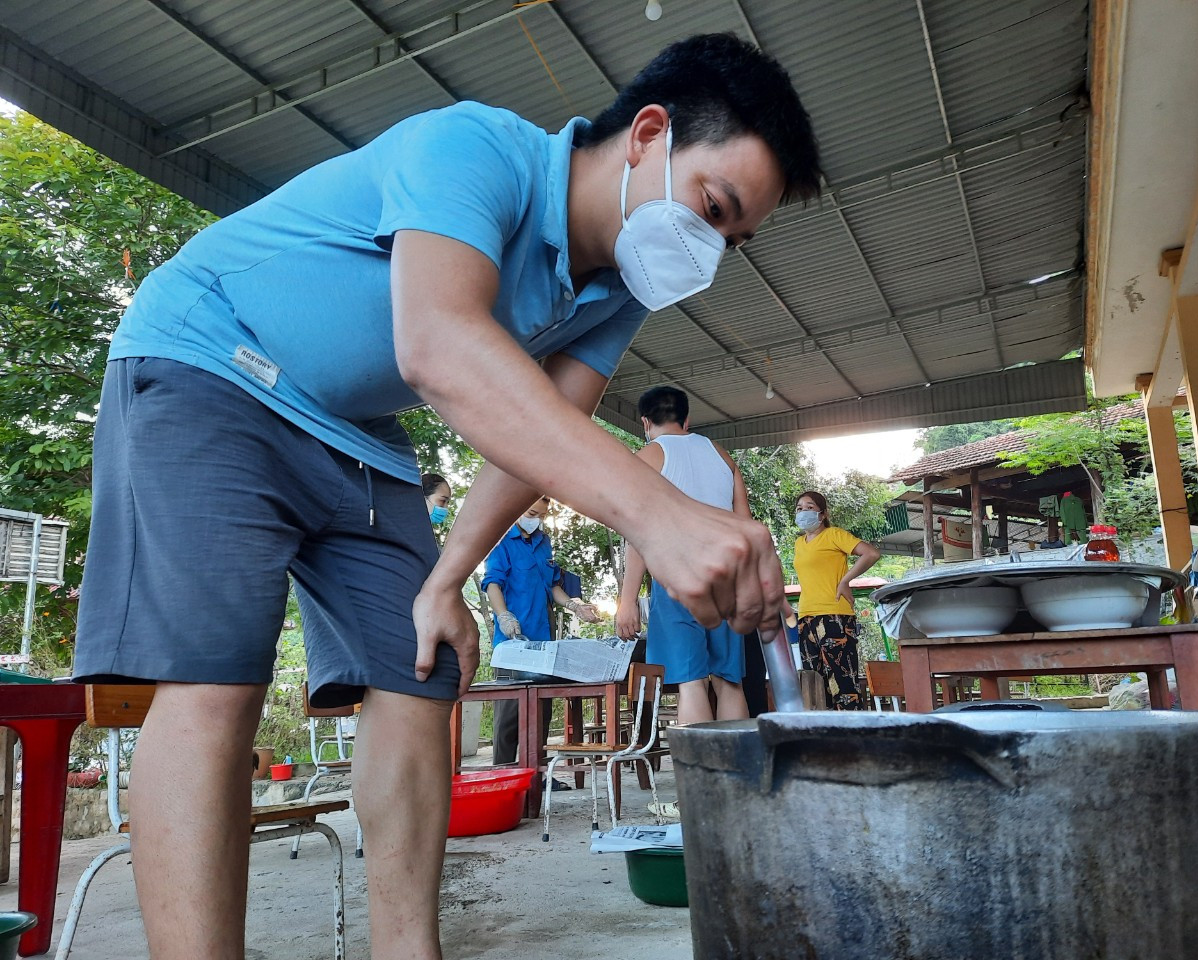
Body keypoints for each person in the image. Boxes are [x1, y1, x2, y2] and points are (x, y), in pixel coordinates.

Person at [73, 32, 819, 960]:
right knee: (217, 678)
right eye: (714, 207)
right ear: (649, 133)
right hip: (211, 361)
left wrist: (449, 578)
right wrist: (658, 511)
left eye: (732, 242)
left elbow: (538, 440)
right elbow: (439, 344)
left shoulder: (620, 285)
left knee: (423, 661)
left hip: (354, 432)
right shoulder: (475, 147)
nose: (710, 250)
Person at [615, 385, 751, 726]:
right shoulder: (722, 456)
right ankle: (737, 773)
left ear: (645, 423)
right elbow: (745, 525)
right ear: (687, 419)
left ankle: (701, 777)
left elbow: (638, 534)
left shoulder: (647, 458)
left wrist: (627, 600)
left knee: (692, 682)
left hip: (678, 576)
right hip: (726, 578)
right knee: (729, 682)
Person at [482, 496, 601, 770]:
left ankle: (538, 779)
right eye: (532, 512)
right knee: (509, 717)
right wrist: (504, 615)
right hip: (512, 644)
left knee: (540, 714)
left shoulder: (543, 543)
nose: (536, 519)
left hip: (542, 644)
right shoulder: (501, 541)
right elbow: (492, 584)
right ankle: (503, 778)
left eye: (542, 515)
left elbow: (553, 587)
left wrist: (575, 605)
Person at [792, 491, 882, 710]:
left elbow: (870, 553)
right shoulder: (799, 544)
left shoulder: (834, 534)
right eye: (799, 508)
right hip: (806, 617)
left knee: (843, 683)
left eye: (810, 507)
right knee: (814, 684)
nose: (804, 511)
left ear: (822, 514)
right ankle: (822, 738)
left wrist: (845, 581)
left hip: (835, 615)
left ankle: (853, 737)